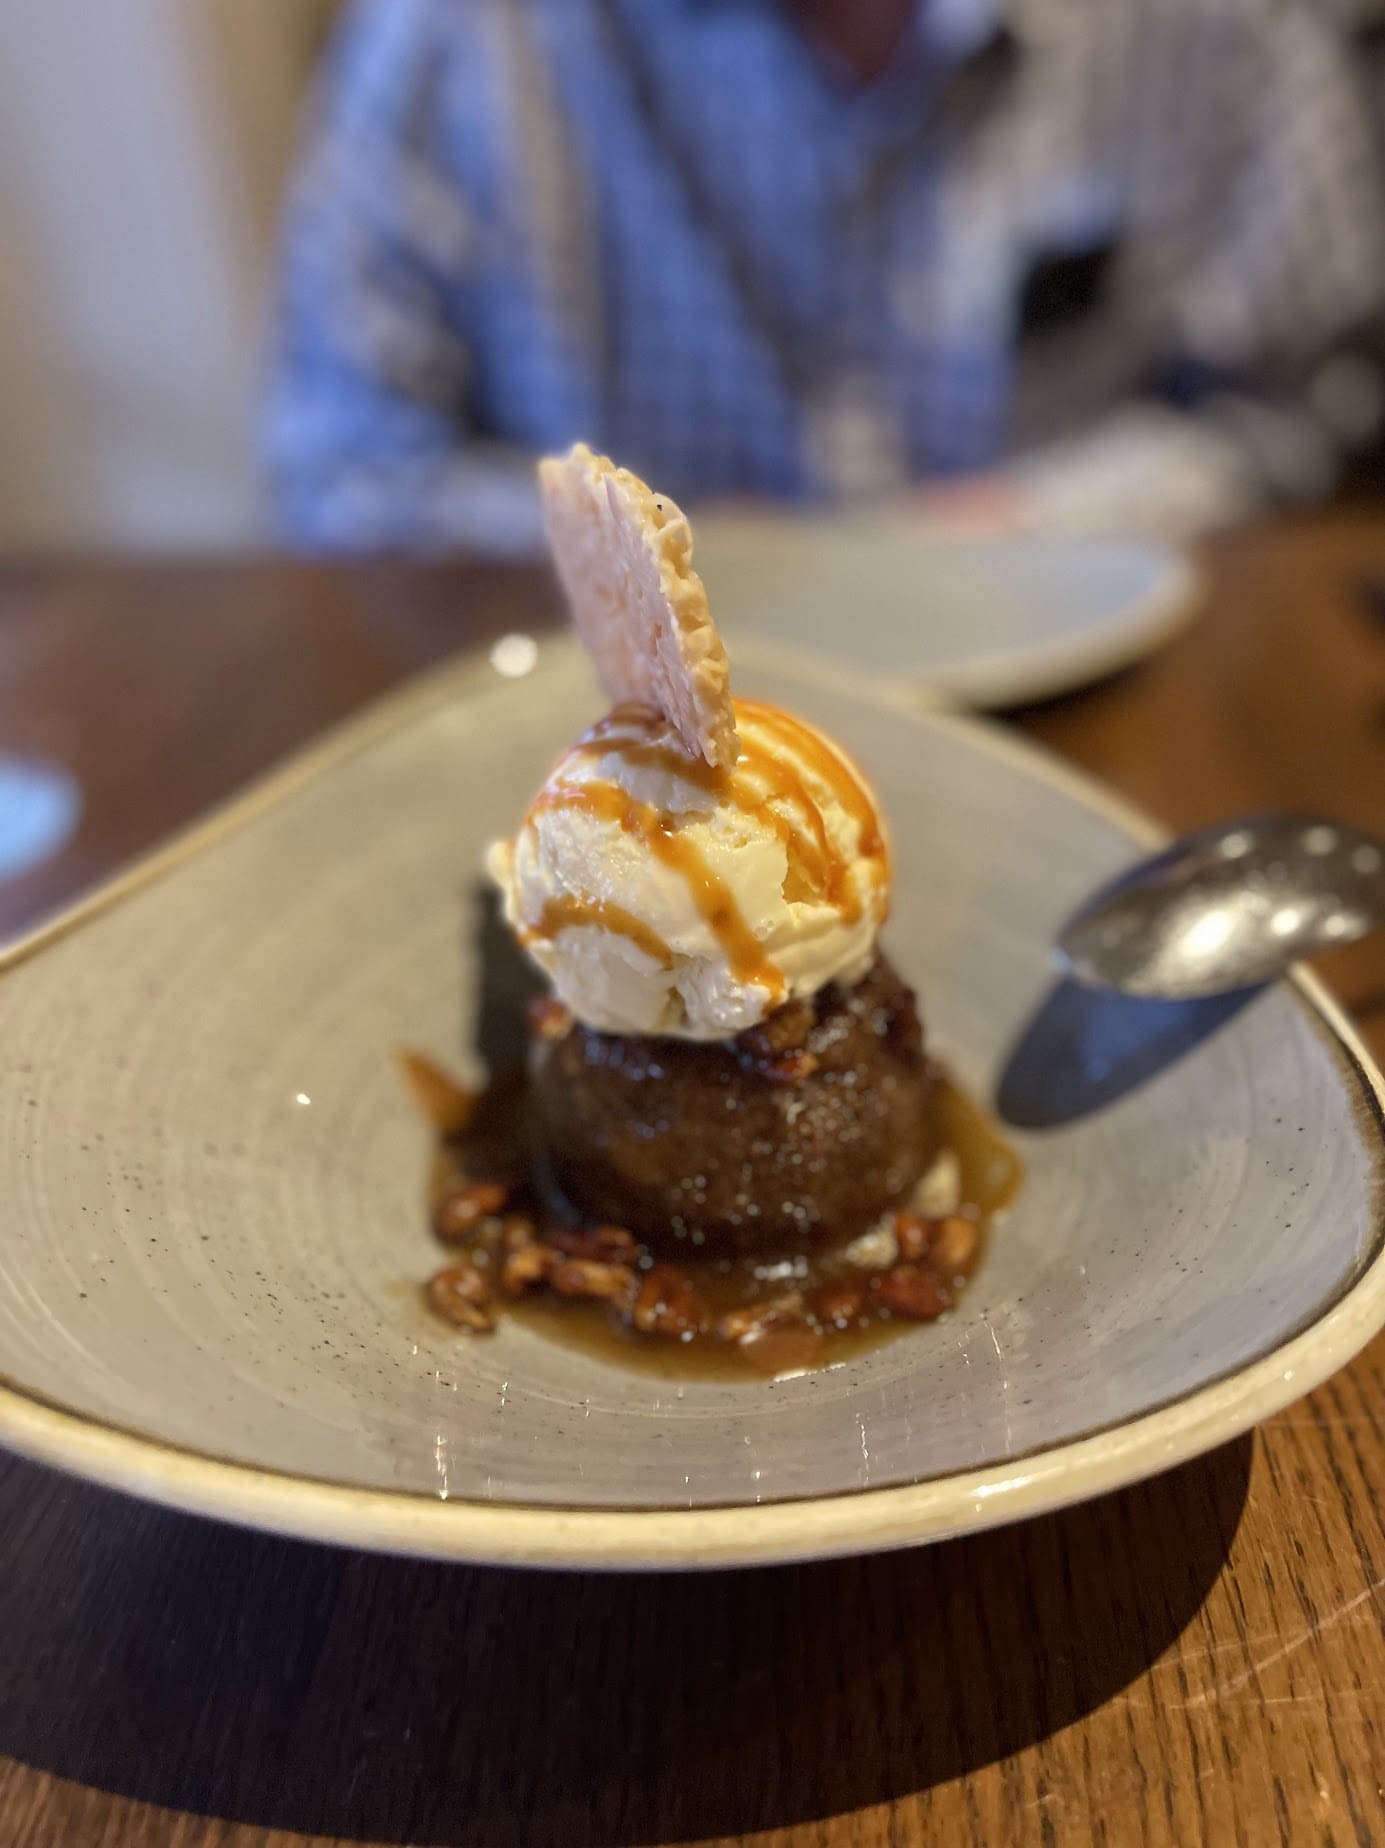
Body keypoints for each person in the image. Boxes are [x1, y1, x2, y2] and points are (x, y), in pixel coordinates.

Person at [264, 0, 1385, 555]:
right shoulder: (459, 40)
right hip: (608, 736)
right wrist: (665, 566)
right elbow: (348, 472)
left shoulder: (1211, 28)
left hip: (1100, 696)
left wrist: (1026, 527)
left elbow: (1298, 406)